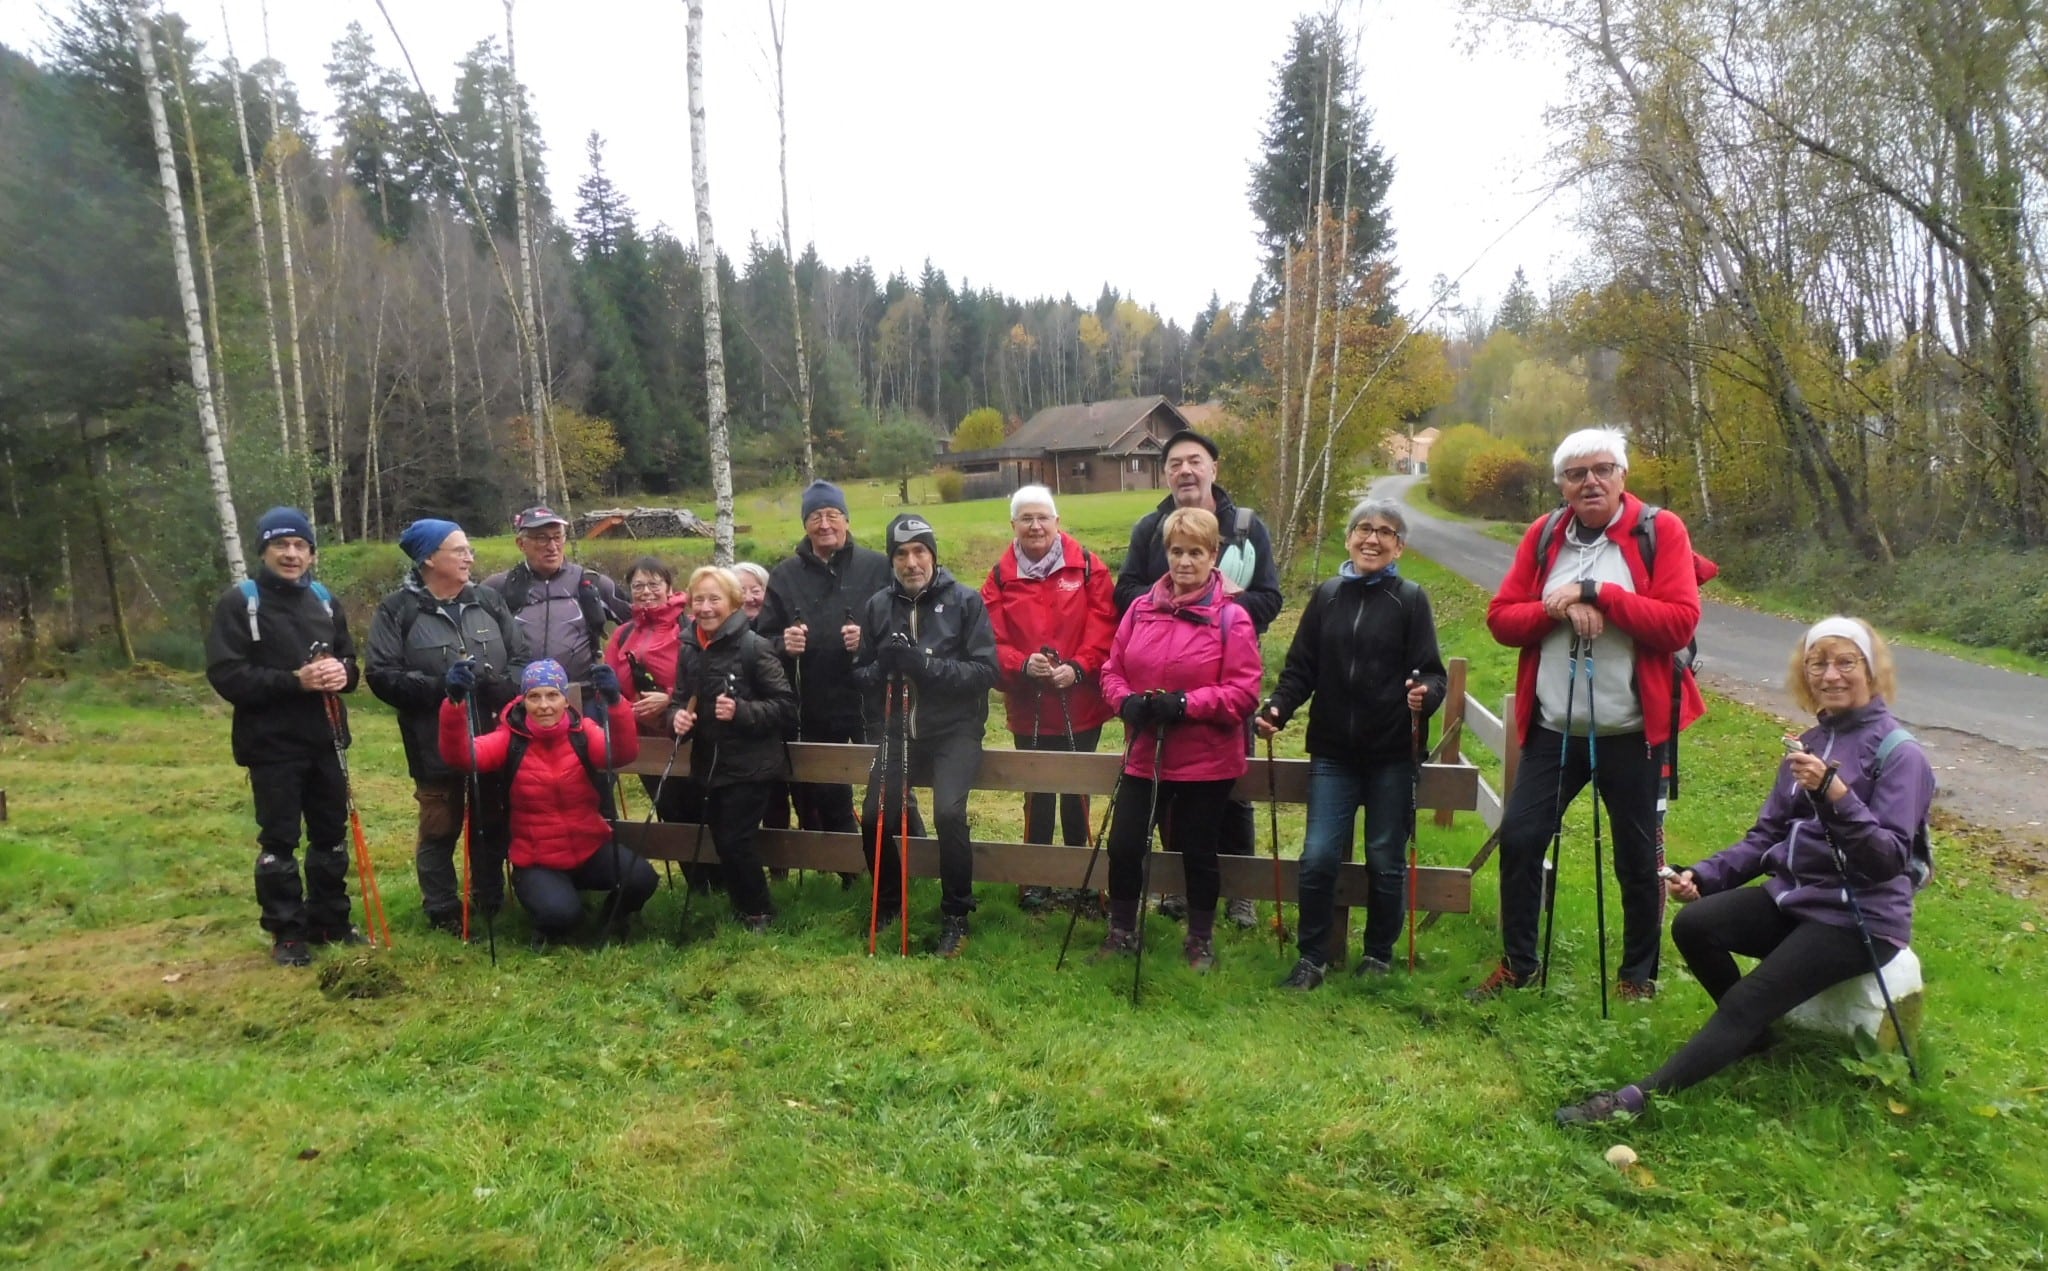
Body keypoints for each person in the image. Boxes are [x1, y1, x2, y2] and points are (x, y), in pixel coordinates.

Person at [1555, 617, 1935, 1124]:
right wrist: (1705, 876)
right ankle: (1753, 1039)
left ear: (1872, 670)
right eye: (1817, 663)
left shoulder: (1900, 755)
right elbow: (1768, 836)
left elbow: (1886, 859)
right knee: (1695, 925)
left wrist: (1835, 795)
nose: (1831, 675)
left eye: (1847, 662)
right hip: (1798, 900)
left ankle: (1635, 1101)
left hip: (1857, 918)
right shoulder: (1810, 742)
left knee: (1747, 1001)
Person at [1471, 427, 1707, 1001]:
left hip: (1633, 732)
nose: (1590, 481)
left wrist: (1597, 592)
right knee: (1523, 839)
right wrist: (1558, 609)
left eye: (1602, 469)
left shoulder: (1660, 530)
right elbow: (1502, 619)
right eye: (1576, 474)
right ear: (1561, 485)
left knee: (1635, 857)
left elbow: (1679, 622)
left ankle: (1637, 978)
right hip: (1555, 727)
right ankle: (1520, 965)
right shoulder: (1545, 534)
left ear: (1623, 476)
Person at [1260, 499, 1447, 986]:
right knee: (1319, 855)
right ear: (1347, 539)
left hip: (1392, 756)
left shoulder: (1410, 599)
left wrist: (1425, 695)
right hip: (1334, 755)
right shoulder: (1327, 597)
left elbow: (1432, 672)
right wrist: (1279, 708)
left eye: (1385, 532)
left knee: (1386, 859)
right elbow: (1301, 668)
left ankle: (1379, 956)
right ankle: (1312, 957)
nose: (1372, 538)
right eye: (1363, 529)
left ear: (1399, 546)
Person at [1115, 428, 1283, 928]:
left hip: (1223, 673)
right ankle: (1176, 892)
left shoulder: (1248, 528)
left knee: (1231, 794)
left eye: (1195, 461)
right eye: (1174, 464)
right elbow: (1124, 591)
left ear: (1214, 468)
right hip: (1157, 679)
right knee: (1165, 797)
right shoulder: (1150, 528)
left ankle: (1242, 894)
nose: (1185, 471)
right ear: (1165, 473)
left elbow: (1270, 601)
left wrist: (1218, 605)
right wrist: (1163, 606)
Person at [1095, 507, 1264, 972]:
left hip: (1205, 761)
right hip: (1145, 753)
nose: (1184, 562)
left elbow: (1244, 692)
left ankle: (1200, 940)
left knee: (1198, 851)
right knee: (1125, 844)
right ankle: (1122, 932)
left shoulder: (1233, 618)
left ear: (1214, 556)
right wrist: (1124, 702)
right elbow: (1112, 669)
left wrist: (1188, 704)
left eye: (1195, 552)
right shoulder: (1140, 609)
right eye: (1176, 551)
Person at [203, 507, 362, 967]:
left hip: (328, 739)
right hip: (271, 745)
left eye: (300, 547)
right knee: (279, 842)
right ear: (264, 551)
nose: (291, 555)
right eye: (281, 546)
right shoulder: (241, 603)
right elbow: (227, 675)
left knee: (331, 837)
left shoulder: (325, 599)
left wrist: (341, 673)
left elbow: (351, 663)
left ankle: (330, 920)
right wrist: (297, 681)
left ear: (312, 553)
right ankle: (287, 934)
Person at [367, 518, 527, 935]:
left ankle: (488, 900)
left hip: (492, 736)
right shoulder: (397, 610)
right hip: (432, 744)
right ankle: (442, 910)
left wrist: (494, 685)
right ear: (428, 558)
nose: (469, 557)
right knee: (440, 827)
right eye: (459, 550)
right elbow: (382, 676)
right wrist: (441, 688)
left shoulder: (489, 601)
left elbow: (522, 659)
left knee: (491, 822)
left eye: (468, 549)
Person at [853, 513, 1000, 957]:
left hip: (954, 730)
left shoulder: (965, 602)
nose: (911, 562)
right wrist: (883, 666)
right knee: (874, 815)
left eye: (920, 551)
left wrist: (927, 666)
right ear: (891, 560)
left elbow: (986, 671)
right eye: (901, 554)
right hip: (899, 730)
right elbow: (859, 674)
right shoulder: (879, 605)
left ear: (933, 555)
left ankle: (957, 913)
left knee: (949, 815)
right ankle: (890, 904)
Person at [438, 657, 658, 949]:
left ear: (565, 700)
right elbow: (462, 757)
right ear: (523, 700)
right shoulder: (509, 739)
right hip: (537, 859)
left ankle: (613, 917)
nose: (544, 705)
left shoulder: (583, 732)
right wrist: (454, 704)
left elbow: (620, 753)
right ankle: (550, 924)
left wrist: (616, 703)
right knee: (562, 915)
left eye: (553, 695)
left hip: (589, 850)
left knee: (643, 878)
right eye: (535, 696)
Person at [981, 485, 1117, 912]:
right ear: (1013, 525)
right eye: (1026, 518)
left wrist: (1077, 667)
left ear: (1057, 521)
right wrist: (1023, 664)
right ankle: (1035, 879)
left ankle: (1081, 881)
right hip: (1030, 707)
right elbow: (988, 638)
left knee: (1077, 794)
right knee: (1037, 793)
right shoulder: (1000, 577)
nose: (1035, 526)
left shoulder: (1091, 569)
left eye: (1043, 517)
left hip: (1082, 705)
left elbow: (1105, 627)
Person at [755, 481, 902, 870]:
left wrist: (867, 640)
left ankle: (910, 868)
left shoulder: (878, 566)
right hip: (815, 704)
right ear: (805, 524)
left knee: (892, 788)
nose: (824, 524)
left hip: (871, 700)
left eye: (832, 515)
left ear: (847, 520)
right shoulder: (785, 576)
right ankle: (851, 874)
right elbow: (760, 641)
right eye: (815, 516)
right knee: (830, 794)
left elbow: (902, 627)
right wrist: (783, 642)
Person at [667, 566, 800, 930]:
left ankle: (760, 911)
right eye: (699, 599)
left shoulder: (754, 647)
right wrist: (677, 719)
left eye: (715, 599)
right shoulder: (690, 647)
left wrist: (741, 711)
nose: (706, 607)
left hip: (753, 764)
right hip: (709, 763)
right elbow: (680, 699)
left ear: (733, 603)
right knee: (723, 839)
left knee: (735, 839)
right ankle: (743, 907)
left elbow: (786, 707)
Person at [482, 505, 630, 683]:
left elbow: (641, 624)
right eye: (542, 539)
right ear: (521, 544)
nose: (552, 547)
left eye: (557, 537)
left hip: (583, 695)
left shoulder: (591, 582)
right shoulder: (498, 587)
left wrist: (622, 672)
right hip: (522, 698)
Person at [603, 556, 690, 818]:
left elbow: (703, 677)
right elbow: (608, 684)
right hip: (641, 741)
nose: (646, 592)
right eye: (638, 586)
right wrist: (625, 709)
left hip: (684, 736)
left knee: (695, 815)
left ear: (669, 588)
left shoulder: (688, 628)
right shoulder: (623, 634)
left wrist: (669, 699)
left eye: (654, 584)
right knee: (668, 813)